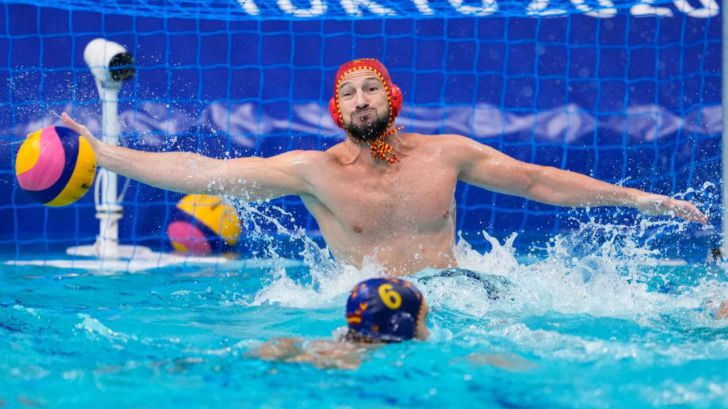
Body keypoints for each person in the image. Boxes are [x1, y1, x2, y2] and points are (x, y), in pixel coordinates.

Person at [61, 58, 707, 275]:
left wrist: (640, 199)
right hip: (363, 307)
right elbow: (202, 171)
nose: (361, 98)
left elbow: (540, 182)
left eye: (372, 87)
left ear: (392, 99)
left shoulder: (446, 154)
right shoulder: (313, 171)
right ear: (335, 111)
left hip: (458, 299)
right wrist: (102, 153)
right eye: (349, 92)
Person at [247, 277, 429, 369]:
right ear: (400, 326)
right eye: (424, 321)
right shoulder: (350, 363)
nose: (428, 331)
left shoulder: (318, 345)